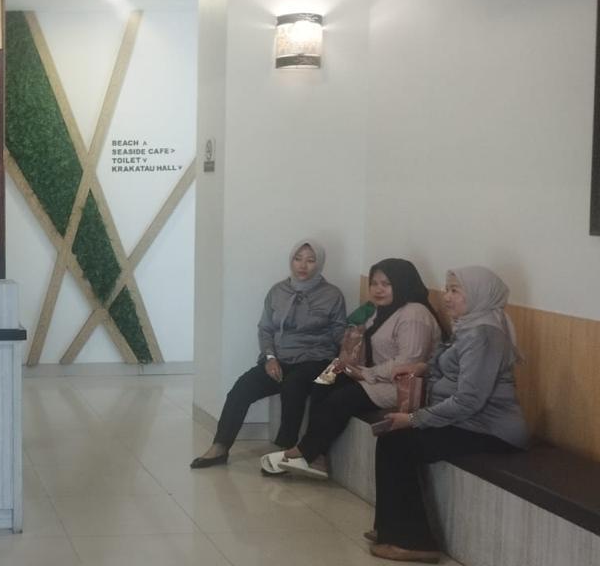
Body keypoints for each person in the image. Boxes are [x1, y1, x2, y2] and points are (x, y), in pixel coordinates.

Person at [367, 266, 529, 563]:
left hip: (490, 430)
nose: (446, 297)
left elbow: (469, 400)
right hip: (467, 422)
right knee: (392, 439)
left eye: (455, 290)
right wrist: (421, 368)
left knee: (398, 444)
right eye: (447, 289)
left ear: (478, 294)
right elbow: (450, 367)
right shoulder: (468, 326)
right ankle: (390, 528)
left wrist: (415, 419)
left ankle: (413, 542)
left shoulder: (484, 334)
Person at [260, 258, 443, 478]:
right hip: (377, 376)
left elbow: (407, 362)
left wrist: (365, 373)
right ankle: (316, 456)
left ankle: (305, 452)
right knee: (324, 380)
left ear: (402, 283)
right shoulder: (381, 311)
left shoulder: (414, 313)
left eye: (386, 284)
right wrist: (346, 361)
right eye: (374, 283)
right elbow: (363, 346)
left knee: (342, 399)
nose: (378, 289)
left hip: (402, 385)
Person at [191, 239, 347, 468]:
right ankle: (220, 446)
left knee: (293, 385)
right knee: (242, 387)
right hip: (280, 358)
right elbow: (265, 329)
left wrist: (349, 349)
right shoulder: (278, 291)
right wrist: (270, 358)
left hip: (315, 359)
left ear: (320, 263)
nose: (302, 265)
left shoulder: (332, 295)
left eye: (310, 260)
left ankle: (285, 450)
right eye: (298, 259)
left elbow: (339, 333)